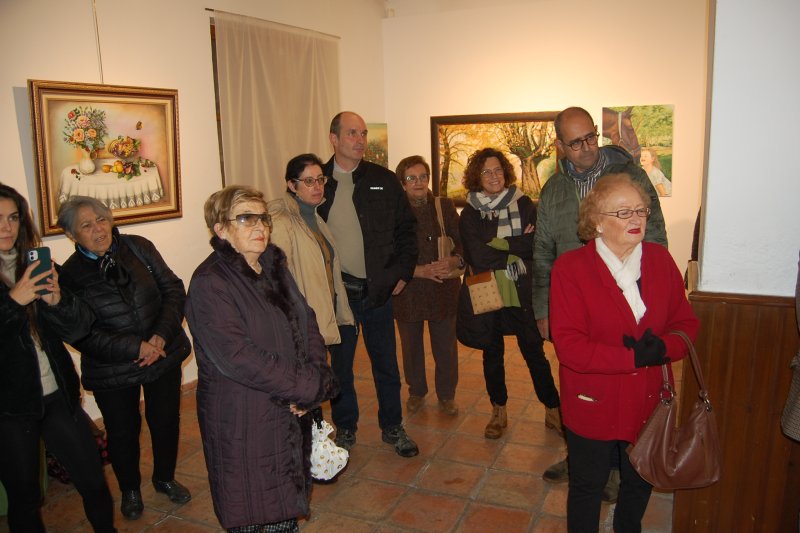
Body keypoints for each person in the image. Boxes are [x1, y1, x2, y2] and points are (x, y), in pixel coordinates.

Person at [549, 173, 698, 532]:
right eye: (623, 212)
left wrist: (664, 346)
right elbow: (570, 348)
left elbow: (686, 325)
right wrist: (632, 358)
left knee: (640, 478)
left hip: (649, 399)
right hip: (592, 401)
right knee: (587, 485)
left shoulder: (660, 260)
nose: (636, 219)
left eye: (641, 210)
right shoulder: (571, 269)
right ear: (597, 221)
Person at [185, 186, 338, 532]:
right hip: (243, 415)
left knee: (282, 506)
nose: (260, 227)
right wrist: (308, 386)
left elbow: (307, 321)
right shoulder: (210, 283)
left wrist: (315, 376)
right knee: (251, 508)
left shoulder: (272, 266)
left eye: (263, 218)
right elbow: (237, 357)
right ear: (220, 229)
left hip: (285, 408)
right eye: (246, 219)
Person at [533, 106, 668, 488]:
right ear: (560, 146)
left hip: (624, 303)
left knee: (619, 385)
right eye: (575, 143)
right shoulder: (555, 189)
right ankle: (582, 456)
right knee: (580, 384)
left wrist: (649, 303)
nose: (587, 148)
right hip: (574, 305)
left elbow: (654, 237)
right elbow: (543, 249)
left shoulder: (628, 176)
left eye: (590, 136)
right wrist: (543, 309)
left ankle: (616, 467)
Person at [57, 196, 192, 521]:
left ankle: (164, 477)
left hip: (163, 353)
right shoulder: (70, 274)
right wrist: (136, 347)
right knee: (122, 431)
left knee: (165, 421)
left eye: (101, 220)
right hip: (112, 369)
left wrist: (159, 336)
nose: (99, 229)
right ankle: (130, 489)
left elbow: (172, 289)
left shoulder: (139, 247)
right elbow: (80, 332)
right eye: (86, 226)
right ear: (72, 235)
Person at [0, 184, 115, 533]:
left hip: (56, 396)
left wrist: (57, 300)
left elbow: (80, 327)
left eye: (13, 218)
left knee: (93, 480)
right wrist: (13, 303)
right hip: (9, 407)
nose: (6, 227)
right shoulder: (18, 286)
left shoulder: (33, 266)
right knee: (25, 498)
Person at [317, 111, 420, 457]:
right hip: (339, 296)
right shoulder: (318, 183)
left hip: (378, 292)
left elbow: (407, 230)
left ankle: (393, 426)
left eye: (362, 133)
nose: (360, 140)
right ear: (333, 139)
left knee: (386, 364)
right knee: (341, 367)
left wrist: (402, 274)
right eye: (351, 133)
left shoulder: (383, 179)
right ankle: (345, 427)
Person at [457, 147, 561, 439]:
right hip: (487, 289)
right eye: (486, 171)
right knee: (492, 354)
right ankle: (498, 411)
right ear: (477, 176)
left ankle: (553, 410)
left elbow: (535, 246)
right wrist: (515, 246)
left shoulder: (525, 203)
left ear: (506, 172)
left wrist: (501, 244)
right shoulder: (469, 213)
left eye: (498, 170)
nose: (493, 176)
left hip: (520, 290)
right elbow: (477, 256)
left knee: (533, 352)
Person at [393, 155, 462, 416]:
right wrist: (419, 271)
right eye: (412, 178)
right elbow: (388, 253)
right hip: (409, 289)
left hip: (443, 288)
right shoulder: (394, 210)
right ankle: (416, 391)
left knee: (445, 346)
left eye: (423, 177)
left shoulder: (443, 205)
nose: (419, 182)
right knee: (411, 347)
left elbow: (460, 240)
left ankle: (447, 395)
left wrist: (455, 259)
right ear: (402, 183)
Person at [267, 153, 355, 346]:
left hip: (320, 317)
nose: (317, 187)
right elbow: (277, 279)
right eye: (308, 181)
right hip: (300, 324)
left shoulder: (316, 218)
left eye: (320, 180)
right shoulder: (281, 222)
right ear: (292, 185)